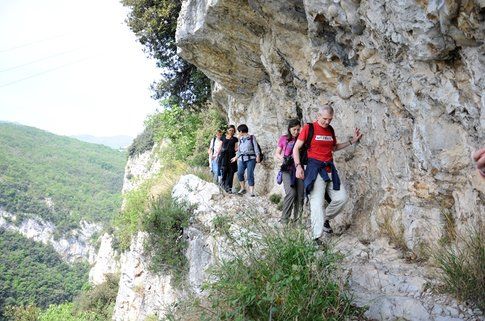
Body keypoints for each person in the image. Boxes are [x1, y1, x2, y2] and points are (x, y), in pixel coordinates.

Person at [292, 104, 362, 242]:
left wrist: (351, 141)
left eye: (330, 119)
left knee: (341, 198)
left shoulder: (330, 129)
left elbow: (334, 147)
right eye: (324, 118)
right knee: (316, 203)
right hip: (314, 169)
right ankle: (316, 237)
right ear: (318, 116)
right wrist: (298, 166)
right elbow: (296, 148)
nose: (327, 122)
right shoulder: (309, 128)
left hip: (330, 170)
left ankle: (324, 219)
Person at [275, 119, 304, 224]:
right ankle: (284, 219)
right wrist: (284, 158)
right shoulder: (284, 138)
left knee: (300, 196)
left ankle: (297, 221)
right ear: (289, 129)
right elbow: (277, 153)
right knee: (291, 193)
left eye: (298, 129)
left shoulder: (302, 139)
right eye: (294, 129)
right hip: (287, 170)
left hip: (300, 170)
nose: (296, 132)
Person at [233, 124, 261, 197]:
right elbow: (239, 150)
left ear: (241, 131)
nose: (238, 133)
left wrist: (258, 156)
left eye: (239, 132)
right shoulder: (241, 139)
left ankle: (251, 192)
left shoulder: (252, 137)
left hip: (251, 159)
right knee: (239, 173)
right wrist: (236, 157)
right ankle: (243, 188)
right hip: (241, 159)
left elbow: (255, 147)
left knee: (249, 175)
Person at [218, 125, 238, 193]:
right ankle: (222, 185)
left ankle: (229, 188)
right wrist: (217, 155)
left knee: (231, 173)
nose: (231, 132)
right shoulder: (223, 138)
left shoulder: (235, 139)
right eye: (230, 130)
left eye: (233, 130)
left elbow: (236, 148)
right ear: (227, 130)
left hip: (232, 157)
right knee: (224, 171)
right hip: (224, 157)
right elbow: (220, 148)